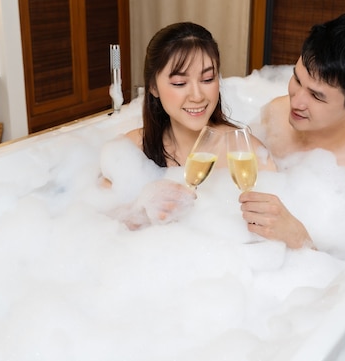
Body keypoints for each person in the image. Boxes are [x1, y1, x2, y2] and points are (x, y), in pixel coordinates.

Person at [239, 13, 345, 249]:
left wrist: (299, 240)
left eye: (316, 96)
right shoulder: (277, 112)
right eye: (296, 79)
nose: (296, 102)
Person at [106, 22, 274, 226]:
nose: (197, 96)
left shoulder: (248, 156)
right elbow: (95, 223)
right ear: (153, 87)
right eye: (179, 83)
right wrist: (140, 210)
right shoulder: (132, 149)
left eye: (207, 79)